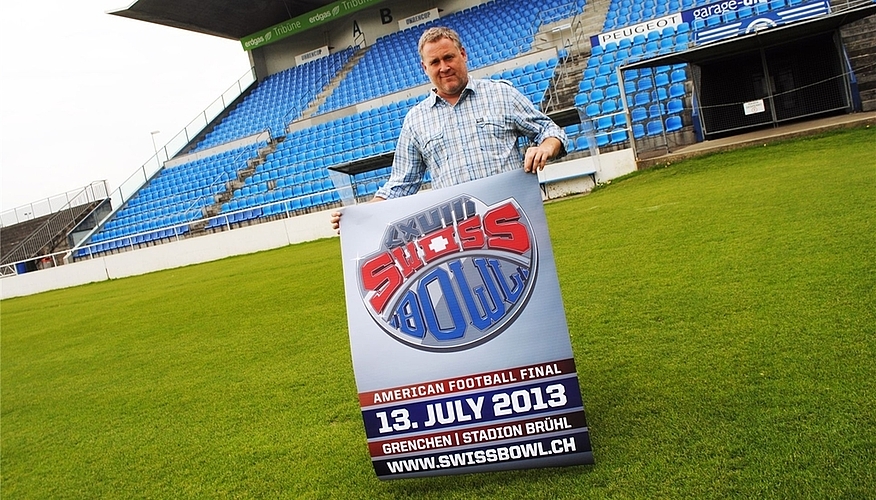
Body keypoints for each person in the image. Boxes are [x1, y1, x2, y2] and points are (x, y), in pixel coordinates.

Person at [331, 26, 567, 231]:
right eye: (435, 62)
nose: (443, 67)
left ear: (462, 55)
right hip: (460, 235)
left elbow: (549, 130)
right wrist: (360, 215)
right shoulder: (416, 120)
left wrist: (546, 146)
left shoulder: (501, 94)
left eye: (449, 57)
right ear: (425, 68)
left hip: (514, 220)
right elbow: (401, 184)